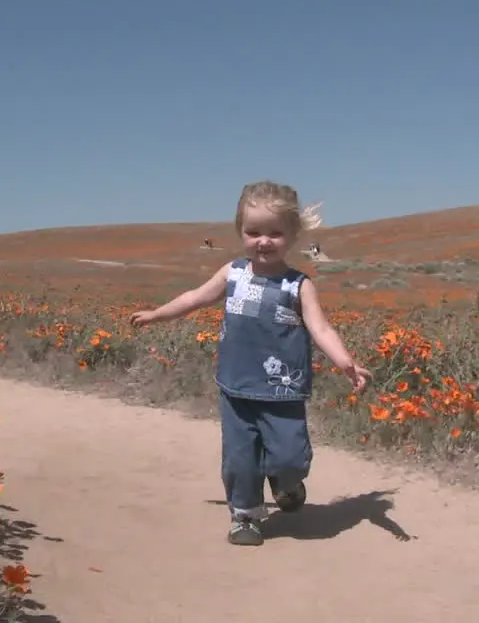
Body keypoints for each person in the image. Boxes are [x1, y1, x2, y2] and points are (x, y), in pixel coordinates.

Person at [129, 180, 371, 546]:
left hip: (283, 391)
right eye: (253, 232)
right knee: (240, 460)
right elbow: (195, 297)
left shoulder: (298, 285)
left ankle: (287, 484)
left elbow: (320, 328)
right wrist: (157, 314)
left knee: (289, 458)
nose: (263, 241)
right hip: (236, 387)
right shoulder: (232, 273)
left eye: (275, 233)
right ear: (240, 231)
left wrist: (345, 362)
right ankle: (246, 516)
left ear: (292, 235)